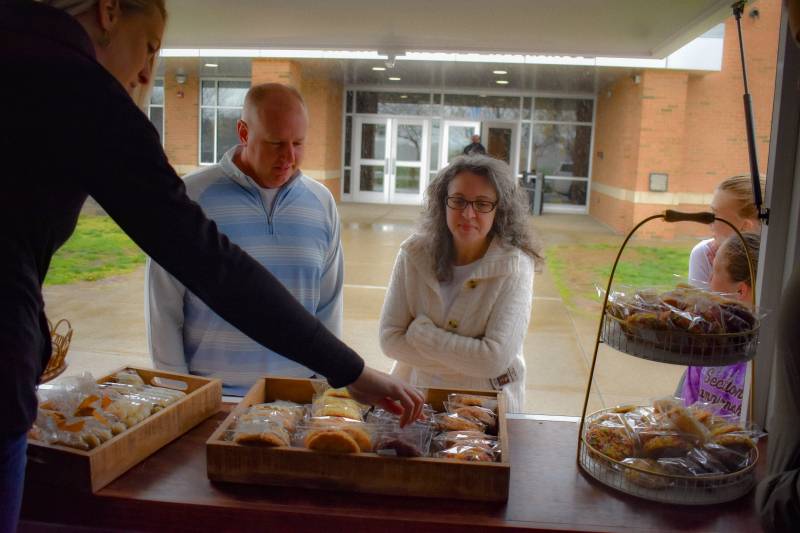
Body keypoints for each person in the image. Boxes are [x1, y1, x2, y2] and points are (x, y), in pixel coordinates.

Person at [0, 1, 422, 529]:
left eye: (298, 144)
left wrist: (329, 376)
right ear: (108, 11)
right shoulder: (76, 87)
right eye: (150, 47)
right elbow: (209, 266)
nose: (146, 75)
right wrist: (353, 371)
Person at [146, 84, 345, 395]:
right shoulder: (189, 199)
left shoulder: (321, 203)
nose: (288, 157)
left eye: (298, 143)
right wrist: (178, 394)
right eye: (275, 143)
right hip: (211, 397)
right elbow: (164, 310)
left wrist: (322, 386)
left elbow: (328, 305)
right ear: (243, 131)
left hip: (297, 397)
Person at [379, 155, 542, 412]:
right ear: (443, 202)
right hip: (418, 400)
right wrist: (468, 359)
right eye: (458, 201)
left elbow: (494, 360)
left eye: (482, 203)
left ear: (500, 210)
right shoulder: (413, 254)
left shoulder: (516, 266)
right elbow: (389, 340)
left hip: (487, 409)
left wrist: (422, 335)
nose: (468, 213)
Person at [680, 232, 760, 418]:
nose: (708, 280)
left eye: (715, 271)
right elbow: (687, 414)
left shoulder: (763, 360)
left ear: (740, 290)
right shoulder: (708, 341)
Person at [688, 175, 765, 288]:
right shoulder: (705, 254)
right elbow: (700, 303)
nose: (710, 223)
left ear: (746, 228)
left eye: (715, 215)